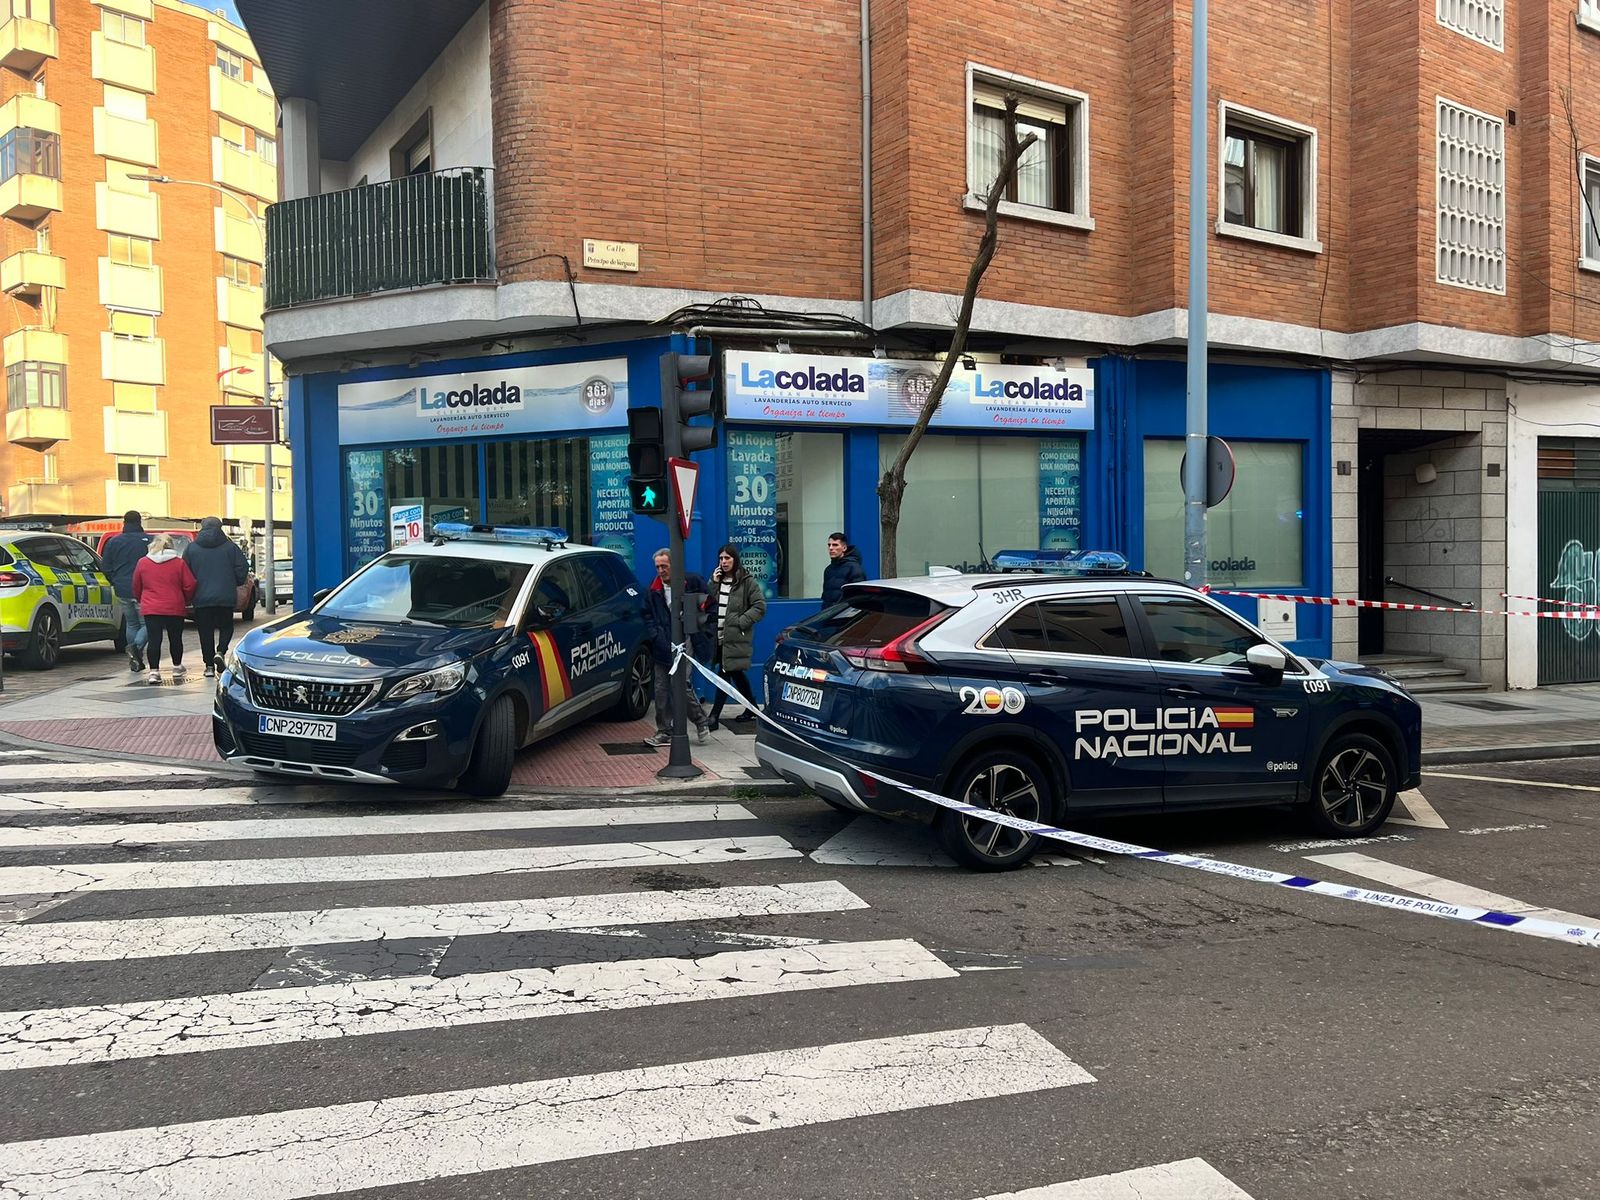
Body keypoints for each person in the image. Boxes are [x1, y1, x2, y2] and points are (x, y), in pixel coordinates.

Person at [643, 549, 711, 747]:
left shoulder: (693, 582)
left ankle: (700, 720)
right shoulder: (653, 589)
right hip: (662, 642)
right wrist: (655, 636)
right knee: (661, 688)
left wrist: (705, 630)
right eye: (657, 567)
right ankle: (664, 730)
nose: (660, 571)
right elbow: (647, 615)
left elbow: (709, 607)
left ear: (674, 565)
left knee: (680, 683)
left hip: (686, 640)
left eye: (664, 566)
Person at [703, 543, 766, 729]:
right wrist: (713, 583)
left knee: (724, 674)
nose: (723, 562)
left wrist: (740, 622)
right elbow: (709, 603)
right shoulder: (718, 580)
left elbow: (760, 606)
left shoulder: (747, 581)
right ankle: (753, 708)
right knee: (736, 673)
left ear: (735, 559)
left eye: (727, 558)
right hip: (719, 637)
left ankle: (714, 716)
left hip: (736, 637)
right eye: (721, 558)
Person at [183, 516, 249, 677]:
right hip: (225, 596)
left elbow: (184, 571)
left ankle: (209, 666)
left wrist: (190, 590)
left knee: (205, 631)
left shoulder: (192, 548)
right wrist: (235, 581)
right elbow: (242, 567)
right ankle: (221, 650)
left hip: (201, 597)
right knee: (226, 626)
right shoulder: (230, 547)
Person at [132, 534, 196, 685]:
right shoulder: (179, 563)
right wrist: (186, 599)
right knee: (175, 638)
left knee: (154, 639)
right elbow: (190, 584)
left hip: (151, 607)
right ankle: (177, 666)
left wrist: (142, 599)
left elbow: (136, 585)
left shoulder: (143, 562)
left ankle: (154, 672)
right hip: (174, 605)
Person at [100, 510, 152, 673]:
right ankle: (135, 648)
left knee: (131, 623)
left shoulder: (114, 542)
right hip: (144, 588)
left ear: (124, 522)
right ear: (140, 522)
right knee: (148, 624)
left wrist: (115, 581)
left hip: (122, 588)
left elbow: (106, 567)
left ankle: (135, 657)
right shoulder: (148, 541)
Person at [821, 532, 866, 606]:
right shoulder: (828, 570)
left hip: (845, 611)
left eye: (835, 545)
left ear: (844, 548)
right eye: (829, 545)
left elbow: (858, 598)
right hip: (830, 611)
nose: (831, 548)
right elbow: (826, 598)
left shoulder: (854, 568)